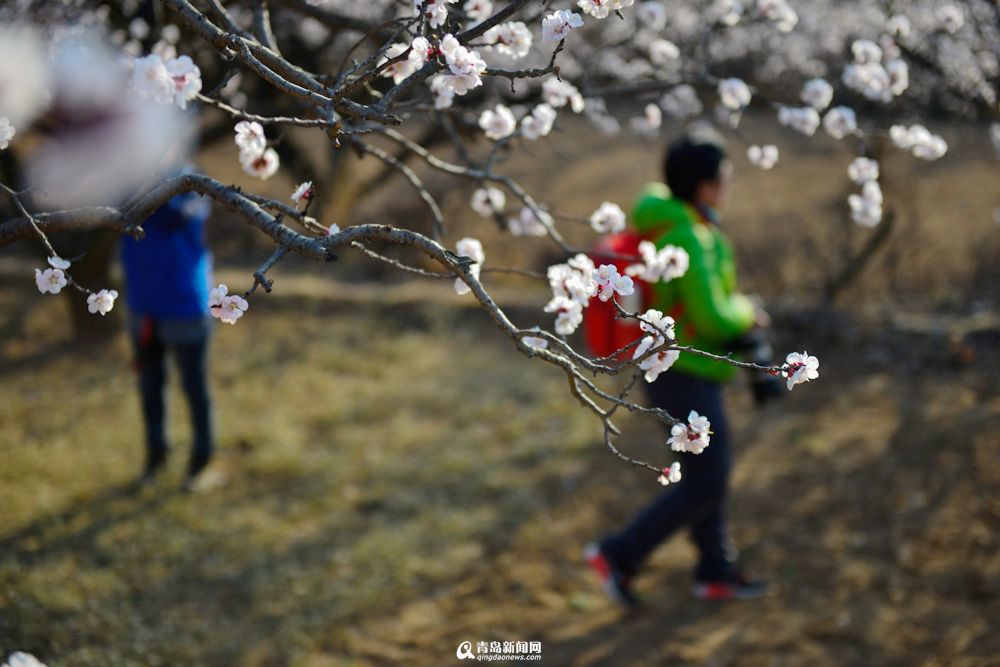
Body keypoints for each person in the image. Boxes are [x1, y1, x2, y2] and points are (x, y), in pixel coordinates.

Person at [586, 129, 778, 606]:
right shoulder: (689, 236)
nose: (729, 183)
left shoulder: (675, 227)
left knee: (704, 475)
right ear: (705, 185)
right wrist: (748, 312)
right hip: (686, 374)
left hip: (678, 372)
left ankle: (715, 572)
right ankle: (619, 553)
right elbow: (712, 316)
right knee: (709, 478)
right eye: (724, 175)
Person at [120, 175, 215, 490]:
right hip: (144, 306)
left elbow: (180, 215)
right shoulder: (123, 181)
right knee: (150, 388)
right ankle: (156, 455)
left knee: (194, 388)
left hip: (184, 305)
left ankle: (201, 461)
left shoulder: (188, 181)